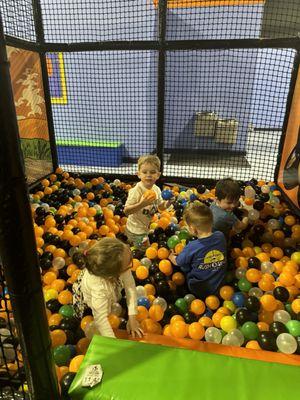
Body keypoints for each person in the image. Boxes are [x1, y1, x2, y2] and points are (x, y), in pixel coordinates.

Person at [72, 237, 143, 338]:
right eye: (128, 263)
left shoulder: (120, 258)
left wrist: (132, 318)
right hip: (88, 300)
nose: (132, 261)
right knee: (94, 315)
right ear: (113, 275)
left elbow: (130, 286)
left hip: (106, 281)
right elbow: (101, 319)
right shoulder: (99, 289)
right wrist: (112, 343)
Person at [169, 202, 227, 299]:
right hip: (220, 287)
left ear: (193, 229)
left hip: (199, 288)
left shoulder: (192, 246)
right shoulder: (220, 236)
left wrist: (171, 257)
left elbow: (178, 262)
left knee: (184, 266)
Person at [124, 155, 172, 248]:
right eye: (144, 172)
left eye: (152, 172)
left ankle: (130, 241)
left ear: (158, 175)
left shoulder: (156, 189)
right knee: (144, 252)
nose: (148, 175)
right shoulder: (136, 191)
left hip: (144, 228)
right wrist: (142, 204)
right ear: (139, 174)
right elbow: (126, 211)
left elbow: (161, 207)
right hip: (135, 230)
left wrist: (168, 203)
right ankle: (130, 240)